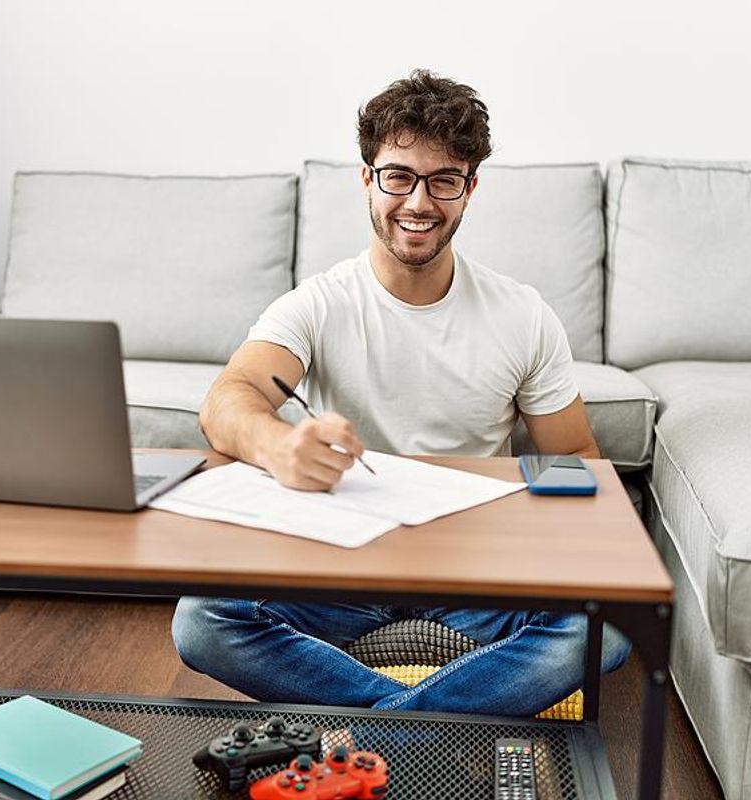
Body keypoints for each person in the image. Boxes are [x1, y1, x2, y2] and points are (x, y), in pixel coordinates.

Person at [171, 69, 630, 716]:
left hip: (477, 574)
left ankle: (389, 732)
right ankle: (426, 731)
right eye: (398, 176)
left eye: (444, 180)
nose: (418, 201)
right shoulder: (319, 303)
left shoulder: (523, 315)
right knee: (202, 622)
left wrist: (546, 538)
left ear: (470, 190)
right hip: (341, 567)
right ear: (367, 179)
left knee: (602, 632)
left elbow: (578, 456)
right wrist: (278, 445)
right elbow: (228, 398)